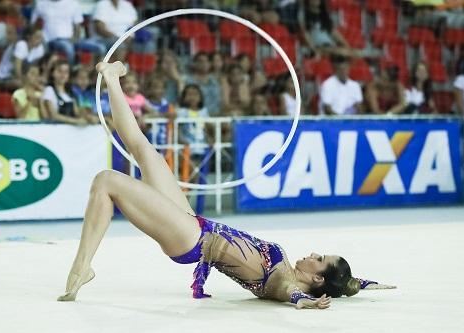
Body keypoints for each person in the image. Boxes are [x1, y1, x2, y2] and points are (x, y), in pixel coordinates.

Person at [57, 61, 395, 307]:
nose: (313, 253)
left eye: (319, 258)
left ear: (317, 278)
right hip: (194, 223)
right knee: (146, 152)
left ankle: (81, 267)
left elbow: (289, 294)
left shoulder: (285, 281)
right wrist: (358, 284)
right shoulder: (291, 268)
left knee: (106, 180)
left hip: (193, 239)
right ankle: (113, 79)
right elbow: (342, 284)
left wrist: (305, 302)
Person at [0, 26, 45, 92]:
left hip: (25, 77)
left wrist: (37, 80)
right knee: (21, 84)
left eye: (41, 38)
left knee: (43, 83)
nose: (40, 40)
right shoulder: (21, 44)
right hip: (6, 77)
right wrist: (30, 82)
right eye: (37, 37)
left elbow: (36, 68)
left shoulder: (39, 48)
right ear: (29, 36)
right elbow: (16, 70)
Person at [41, 60, 88, 125]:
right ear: (53, 73)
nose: (63, 75)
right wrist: (75, 121)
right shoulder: (49, 90)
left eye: (66, 72)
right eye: (59, 71)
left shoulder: (70, 93)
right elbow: (53, 116)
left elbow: (76, 112)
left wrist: (88, 117)